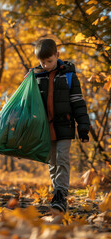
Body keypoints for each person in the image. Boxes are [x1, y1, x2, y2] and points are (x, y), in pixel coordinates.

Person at [33, 38, 90, 212]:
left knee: (62, 157)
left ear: (57, 55)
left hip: (65, 124)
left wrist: (83, 126)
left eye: (48, 61)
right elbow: (30, 103)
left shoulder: (69, 75)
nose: (45, 65)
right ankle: (56, 189)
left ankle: (60, 194)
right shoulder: (35, 76)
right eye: (41, 62)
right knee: (52, 161)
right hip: (46, 128)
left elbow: (77, 102)